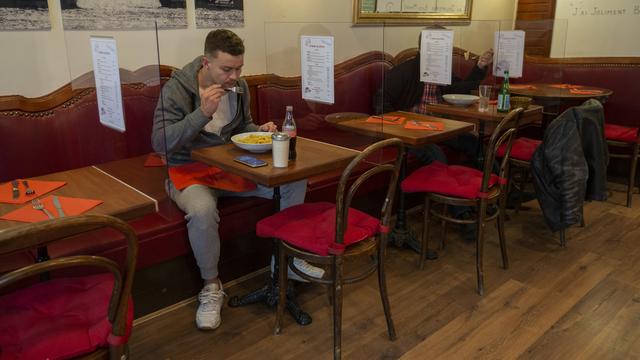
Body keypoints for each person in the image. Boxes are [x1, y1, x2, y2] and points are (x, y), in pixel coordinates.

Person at [151, 29, 322, 331]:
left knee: (295, 180)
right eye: (226, 69)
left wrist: (262, 128)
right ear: (206, 63)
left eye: (239, 68)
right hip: (188, 170)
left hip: (231, 167)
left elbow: (242, 127)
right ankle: (212, 286)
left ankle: (287, 262)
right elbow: (160, 142)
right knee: (202, 210)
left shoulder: (239, 86)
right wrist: (202, 113)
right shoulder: (177, 89)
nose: (234, 76)